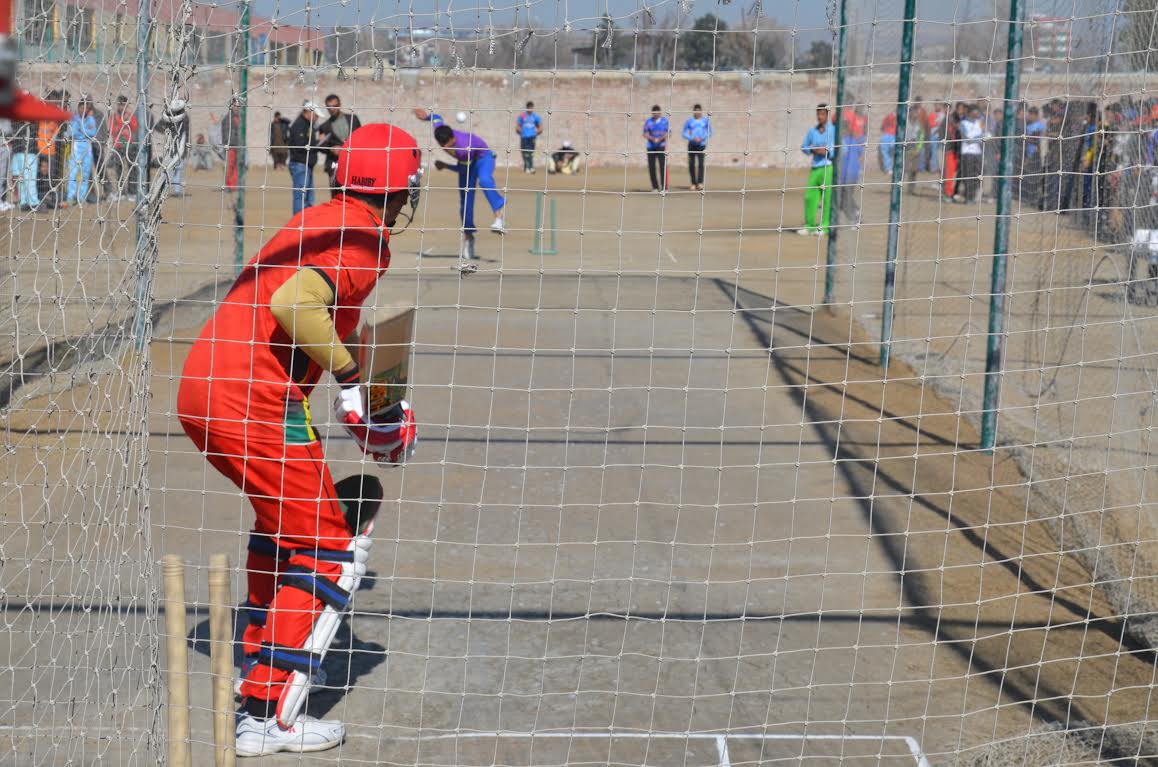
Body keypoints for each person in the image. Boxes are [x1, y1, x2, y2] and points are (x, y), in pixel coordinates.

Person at [176, 122, 420, 757]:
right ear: (396, 192)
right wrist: (350, 380)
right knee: (331, 550)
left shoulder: (320, 217)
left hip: (212, 387)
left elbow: (320, 323)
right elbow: (295, 304)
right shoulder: (363, 237)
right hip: (251, 400)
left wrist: (378, 402)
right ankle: (268, 716)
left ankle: (259, 663)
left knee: (285, 525)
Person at [431, 121, 507, 260]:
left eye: (446, 145)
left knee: (484, 180)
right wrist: (426, 116)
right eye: (441, 145)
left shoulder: (463, 149)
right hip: (466, 162)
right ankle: (468, 238)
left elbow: (463, 169)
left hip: (483, 158)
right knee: (466, 202)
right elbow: (436, 119)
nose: (444, 147)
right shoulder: (442, 131)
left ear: (452, 138)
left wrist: (445, 165)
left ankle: (499, 218)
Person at [799, 103, 835, 236]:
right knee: (809, 197)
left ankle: (824, 227)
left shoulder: (833, 130)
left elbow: (832, 149)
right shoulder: (812, 131)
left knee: (827, 198)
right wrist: (814, 149)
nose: (820, 116)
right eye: (818, 114)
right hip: (815, 167)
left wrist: (820, 150)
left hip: (828, 167)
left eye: (822, 114)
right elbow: (804, 147)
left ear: (827, 115)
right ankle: (809, 226)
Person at [317, 95, 361, 194]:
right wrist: (331, 149)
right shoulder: (324, 126)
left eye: (335, 106)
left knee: (355, 193)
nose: (332, 109)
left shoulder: (353, 119)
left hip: (354, 162)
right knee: (336, 194)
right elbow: (320, 147)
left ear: (340, 104)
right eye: (329, 107)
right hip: (335, 163)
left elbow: (361, 137)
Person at [287, 101, 324, 215]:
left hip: (306, 165)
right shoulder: (299, 125)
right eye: (316, 115)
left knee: (309, 197)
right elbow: (301, 145)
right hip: (300, 165)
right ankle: (299, 222)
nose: (317, 118)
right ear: (308, 112)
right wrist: (318, 142)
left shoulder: (308, 125)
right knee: (301, 196)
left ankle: (306, 220)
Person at [153, 98, 191, 196]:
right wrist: (167, 131)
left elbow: (185, 134)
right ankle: (164, 189)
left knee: (177, 168)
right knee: (170, 169)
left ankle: (176, 190)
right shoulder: (168, 116)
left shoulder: (184, 118)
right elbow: (157, 127)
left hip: (180, 147)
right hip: (170, 147)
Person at [65, 96, 96, 207]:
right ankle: (70, 197)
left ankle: (81, 198)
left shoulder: (91, 119)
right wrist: (84, 131)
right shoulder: (74, 119)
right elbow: (72, 133)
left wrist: (82, 129)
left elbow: (92, 133)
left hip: (87, 149)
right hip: (76, 147)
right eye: (82, 108)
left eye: (85, 108)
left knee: (85, 174)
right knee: (73, 173)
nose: (83, 110)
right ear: (79, 108)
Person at [838, 109, 866, 224]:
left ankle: (854, 219)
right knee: (846, 196)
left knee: (845, 199)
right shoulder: (852, 140)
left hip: (848, 175)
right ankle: (856, 211)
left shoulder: (842, 141)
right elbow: (860, 153)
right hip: (850, 174)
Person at [108, 95, 138, 199]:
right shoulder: (114, 117)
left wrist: (128, 120)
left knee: (131, 169)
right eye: (119, 104)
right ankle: (121, 191)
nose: (121, 107)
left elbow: (135, 128)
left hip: (129, 145)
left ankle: (132, 192)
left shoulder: (130, 116)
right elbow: (112, 131)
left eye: (123, 104)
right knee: (119, 169)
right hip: (118, 146)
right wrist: (122, 124)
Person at [956, 104, 986, 203]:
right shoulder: (963, 123)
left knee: (976, 176)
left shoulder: (979, 123)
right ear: (969, 113)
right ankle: (968, 197)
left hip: (977, 153)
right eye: (975, 111)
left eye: (978, 111)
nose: (977, 113)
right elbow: (968, 138)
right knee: (968, 175)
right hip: (967, 153)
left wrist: (981, 136)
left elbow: (986, 135)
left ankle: (972, 196)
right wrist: (980, 136)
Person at [682, 103, 711, 191]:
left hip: (701, 145)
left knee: (701, 164)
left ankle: (700, 183)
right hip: (691, 145)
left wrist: (701, 138)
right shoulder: (689, 121)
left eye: (699, 111)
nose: (697, 113)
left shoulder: (705, 121)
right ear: (693, 112)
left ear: (701, 112)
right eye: (696, 111)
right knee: (691, 164)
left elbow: (710, 132)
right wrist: (692, 138)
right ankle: (693, 183)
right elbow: (684, 133)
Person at [11, 120, 39, 211]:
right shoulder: (17, 122)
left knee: (25, 178)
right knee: (25, 178)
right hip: (23, 151)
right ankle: (31, 203)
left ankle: (26, 202)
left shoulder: (33, 122)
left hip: (25, 150)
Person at [643, 104, 669, 192]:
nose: (656, 114)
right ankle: (655, 187)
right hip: (651, 147)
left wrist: (660, 139)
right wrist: (653, 139)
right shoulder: (648, 122)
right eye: (654, 113)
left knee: (663, 167)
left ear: (660, 113)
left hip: (661, 146)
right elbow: (645, 133)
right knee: (651, 167)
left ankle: (664, 187)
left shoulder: (664, 121)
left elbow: (668, 133)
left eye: (657, 113)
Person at [515, 100, 542, 174]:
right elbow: (518, 125)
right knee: (525, 152)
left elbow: (540, 126)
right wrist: (521, 131)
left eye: (531, 107)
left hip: (532, 137)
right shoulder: (523, 115)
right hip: (524, 137)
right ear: (527, 108)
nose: (530, 109)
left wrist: (537, 132)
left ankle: (531, 167)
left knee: (531, 152)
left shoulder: (535, 116)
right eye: (529, 107)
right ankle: (527, 167)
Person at [222, 102, 241, 191]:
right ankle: (229, 186)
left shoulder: (240, 118)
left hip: (239, 146)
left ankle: (234, 185)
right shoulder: (227, 118)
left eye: (238, 106)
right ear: (231, 107)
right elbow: (226, 134)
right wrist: (229, 145)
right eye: (235, 106)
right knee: (230, 166)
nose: (237, 108)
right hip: (231, 146)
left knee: (237, 166)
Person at [879, 108, 897, 173]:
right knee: (888, 153)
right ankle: (889, 168)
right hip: (890, 136)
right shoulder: (892, 117)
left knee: (888, 153)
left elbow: (882, 127)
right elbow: (883, 127)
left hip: (888, 136)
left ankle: (889, 168)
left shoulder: (889, 116)